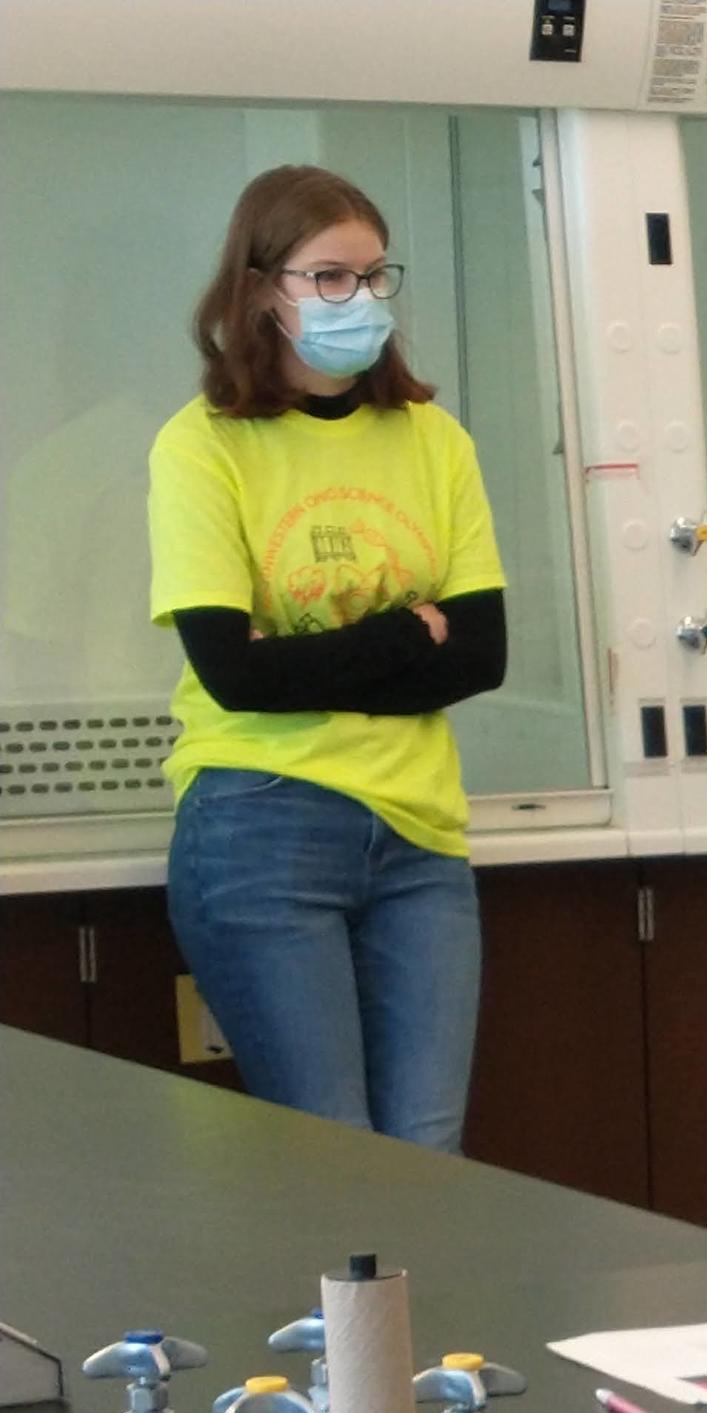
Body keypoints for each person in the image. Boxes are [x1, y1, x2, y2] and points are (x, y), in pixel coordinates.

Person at [146, 163, 508, 1149]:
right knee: (332, 1152)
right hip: (260, 822)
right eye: (330, 277)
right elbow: (236, 676)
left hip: (419, 833)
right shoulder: (202, 446)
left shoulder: (434, 440)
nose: (362, 298)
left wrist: (309, 662)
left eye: (376, 275)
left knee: (428, 1151)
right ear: (262, 289)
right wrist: (404, 634)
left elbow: (481, 655)